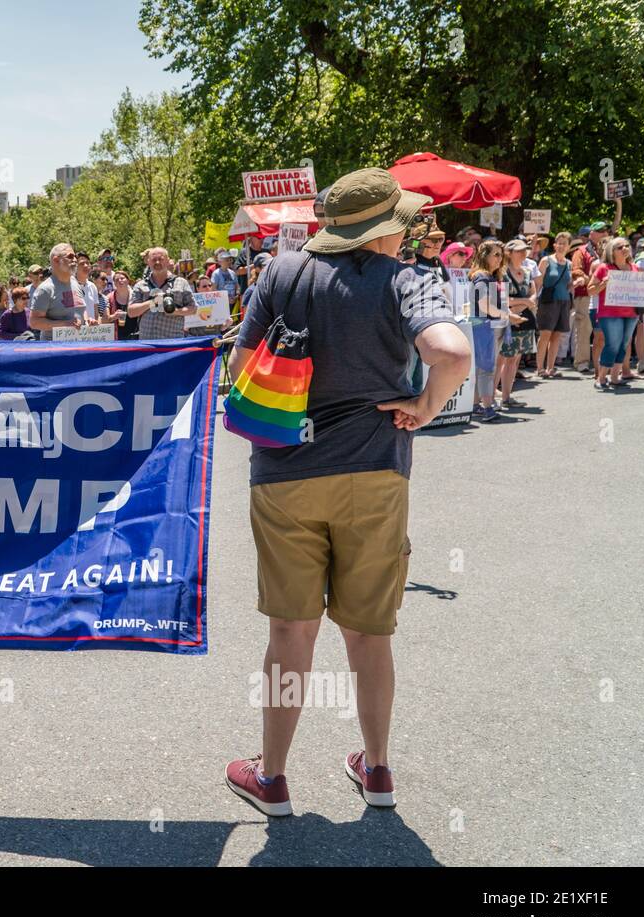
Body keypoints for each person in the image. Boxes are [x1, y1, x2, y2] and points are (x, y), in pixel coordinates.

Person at [223, 167, 471, 817]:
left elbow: (238, 369)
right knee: (369, 635)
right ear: (384, 230)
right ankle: (378, 770)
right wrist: (422, 405)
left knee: (290, 633)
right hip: (375, 472)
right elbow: (453, 353)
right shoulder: (407, 280)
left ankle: (271, 777)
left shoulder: (282, 273)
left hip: (284, 474)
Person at [589, 237, 642, 389]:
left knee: (624, 344)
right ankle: (601, 378)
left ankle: (615, 377)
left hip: (631, 312)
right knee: (612, 344)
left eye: (626, 246)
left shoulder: (634, 268)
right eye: (620, 247)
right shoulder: (604, 268)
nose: (625, 248)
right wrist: (604, 283)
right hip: (610, 313)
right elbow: (590, 290)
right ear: (612, 251)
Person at [469, 240, 509, 420]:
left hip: (487, 325)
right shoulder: (483, 277)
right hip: (485, 326)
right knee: (486, 368)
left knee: (482, 368)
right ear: (485, 256)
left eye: (501, 255)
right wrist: (504, 315)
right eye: (496, 254)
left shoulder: (487, 276)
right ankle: (487, 408)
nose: (500, 259)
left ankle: (477, 405)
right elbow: (483, 304)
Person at [499, 239, 538, 406]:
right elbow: (504, 299)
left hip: (525, 319)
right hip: (509, 320)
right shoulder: (502, 273)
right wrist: (525, 302)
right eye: (519, 251)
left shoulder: (528, 272)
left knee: (515, 360)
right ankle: (495, 397)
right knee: (502, 359)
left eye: (525, 251)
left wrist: (524, 303)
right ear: (509, 253)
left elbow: (534, 294)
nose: (523, 254)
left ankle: (507, 396)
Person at [127, 247, 198, 339]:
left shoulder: (181, 282)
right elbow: (131, 312)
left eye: (161, 259)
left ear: (168, 261)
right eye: (153, 259)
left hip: (173, 342)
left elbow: (193, 308)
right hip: (147, 342)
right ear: (148, 262)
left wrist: (175, 311)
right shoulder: (140, 285)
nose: (157, 262)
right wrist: (152, 303)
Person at [28, 243, 88, 339]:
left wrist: (87, 321)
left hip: (78, 345)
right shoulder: (45, 289)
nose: (75, 260)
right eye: (70, 256)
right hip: (54, 349)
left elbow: (80, 309)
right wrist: (64, 324)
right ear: (56, 260)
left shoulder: (74, 281)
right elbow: (34, 322)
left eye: (75, 256)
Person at [535, 232, 573, 377]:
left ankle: (551, 367)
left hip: (564, 301)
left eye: (565, 243)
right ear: (555, 245)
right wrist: (535, 300)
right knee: (545, 334)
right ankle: (540, 368)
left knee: (557, 335)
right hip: (548, 302)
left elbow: (568, 285)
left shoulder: (569, 264)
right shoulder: (546, 260)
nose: (562, 246)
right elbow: (538, 282)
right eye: (559, 243)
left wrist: (574, 284)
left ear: (569, 246)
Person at [571, 223, 605, 373]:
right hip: (585, 296)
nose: (604, 234)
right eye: (600, 231)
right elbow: (576, 271)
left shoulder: (607, 251)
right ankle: (582, 363)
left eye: (605, 231)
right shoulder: (581, 251)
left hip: (604, 296)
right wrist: (591, 280)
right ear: (591, 234)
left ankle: (603, 363)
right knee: (584, 329)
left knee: (602, 331)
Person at [74, 252, 110, 324]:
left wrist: (97, 325)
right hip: (76, 331)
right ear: (75, 266)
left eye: (88, 263)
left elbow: (96, 314)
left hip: (91, 332)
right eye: (82, 263)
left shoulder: (92, 286)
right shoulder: (69, 285)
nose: (86, 265)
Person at [108, 270, 135, 339]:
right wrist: (114, 316)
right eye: (116, 280)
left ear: (128, 280)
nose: (120, 281)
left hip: (135, 335)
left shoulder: (136, 296)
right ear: (114, 283)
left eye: (122, 278)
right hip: (116, 337)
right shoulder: (109, 298)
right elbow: (103, 319)